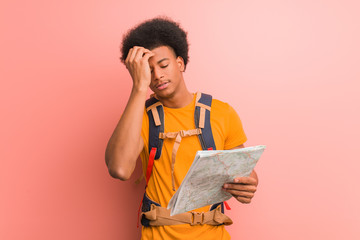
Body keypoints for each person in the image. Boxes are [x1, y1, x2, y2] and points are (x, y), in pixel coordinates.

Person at [105, 16, 258, 240]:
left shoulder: (222, 113)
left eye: (163, 65)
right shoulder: (140, 118)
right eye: (148, 70)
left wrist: (247, 186)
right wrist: (139, 87)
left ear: (180, 63)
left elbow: (246, 173)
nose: (157, 75)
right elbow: (119, 169)